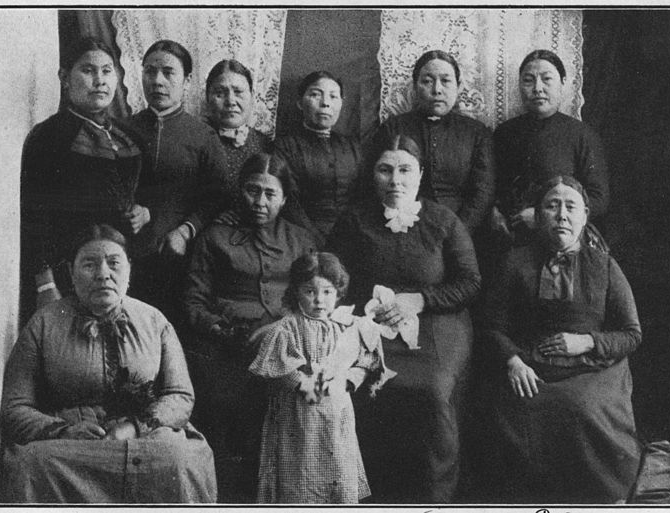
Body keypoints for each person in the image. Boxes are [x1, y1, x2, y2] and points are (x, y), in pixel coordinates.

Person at [0, 224, 216, 503]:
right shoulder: (44, 323)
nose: (103, 274)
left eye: (114, 263)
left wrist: (136, 426)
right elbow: (16, 407)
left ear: (128, 270)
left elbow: (180, 395)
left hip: (146, 436)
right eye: (90, 264)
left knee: (181, 459)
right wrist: (65, 430)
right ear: (71, 274)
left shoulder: (154, 321)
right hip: (70, 445)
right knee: (31, 463)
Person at [327, 135, 481, 503]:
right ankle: (370, 494)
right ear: (373, 175)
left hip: (437, 323)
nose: (395, 180)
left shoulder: (443, 221)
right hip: (371, 325)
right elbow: (333, 277)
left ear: (420, 174)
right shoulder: (355, 220)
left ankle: (433, 496)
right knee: (360, 385)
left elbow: (470, 282)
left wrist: (420, 299)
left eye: (405, 170)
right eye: (385, 170)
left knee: (431, 390)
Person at [481, 175, 642, 503]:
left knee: (580, 407)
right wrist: (513, 361)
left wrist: (587, 342)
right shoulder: (516, 261)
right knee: (522, 408)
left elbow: (631, 333)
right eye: (552, 206)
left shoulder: (605, 266)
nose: (562, 215)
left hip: (594, 368)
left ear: (584, 215)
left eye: (571, 207)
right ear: (538, 216)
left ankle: (599, 495)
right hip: (532, 363)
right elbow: (490, 325)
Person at [183, 153, 317, 501]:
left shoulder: (300, 241)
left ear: (285, 198)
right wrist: (220, 331)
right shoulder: (215, 237)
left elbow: (314, 296)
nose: (260, 202)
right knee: (226, 417)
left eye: (270, 194)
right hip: (225, 347)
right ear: (239, 191)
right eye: (252, 190)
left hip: (286, 346)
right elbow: (194, 303)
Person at [20, 37, 148, 323]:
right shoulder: (49, 138)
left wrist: (145, 211)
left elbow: (142, 192)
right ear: (65, 78)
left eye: (107, 70)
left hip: (121, 269)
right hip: (71, 273)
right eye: (88, 71)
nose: (99, 80)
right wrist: (45, 284)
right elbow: (33, 216)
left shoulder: (129, 136)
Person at [249, 252, 388, 504]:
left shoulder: (346, 325)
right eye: (310, 292)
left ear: (338, 293)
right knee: (303, 469)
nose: (319, 300)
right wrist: (306, 385)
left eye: (327, 292)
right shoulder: (288, 327)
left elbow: (367, 359)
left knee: (336, 464)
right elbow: (277, 367)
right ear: (296, 292)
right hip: (300, 415)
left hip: (337, 412)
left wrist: (349, 381)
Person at [128, 40, 225, 324]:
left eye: (168, 72)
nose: (157, 81)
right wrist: (130, 208)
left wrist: (185, 231)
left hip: (182, 253)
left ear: (187, 80)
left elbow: (216, 197)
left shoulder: (203, 136)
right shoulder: (123, 129)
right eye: (150, 71)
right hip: (130, 246)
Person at [492, 49, 610, 249]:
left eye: (547, 79)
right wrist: (493, 214)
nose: (538, 88)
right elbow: (490, 186)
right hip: (509, 238)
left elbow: (599, 198)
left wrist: (543, 216)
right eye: (528, 80)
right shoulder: (504, 133)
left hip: (560, 240)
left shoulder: (581, 135)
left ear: (563, 83)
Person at [370, 50, 495, 235]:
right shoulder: (394, 128)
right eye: (427, 81)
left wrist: (458, 232)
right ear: (415, 86)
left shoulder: (476, 133)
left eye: (445, 81)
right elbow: (378, 185)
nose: (437, 89)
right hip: (406, 229)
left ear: (458, 86)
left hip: (463, 230)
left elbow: (483, 192)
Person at [274, 71, 361, 242]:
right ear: (300, 102)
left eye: (333, 97)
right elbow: (289, 203)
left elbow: (362, 196)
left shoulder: (353, 147)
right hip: (301, 237)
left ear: (341, 103)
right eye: (315, 95)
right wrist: (315, 239)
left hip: (351, 235)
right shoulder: (285, 147)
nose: (325, 103)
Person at [205, 59, 272, 207]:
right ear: (208, 98)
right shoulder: (198, 140)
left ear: (252, 95)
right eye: (220, 93)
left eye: (238, 92)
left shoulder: (265, 144)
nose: (231, 101)